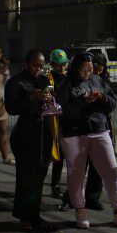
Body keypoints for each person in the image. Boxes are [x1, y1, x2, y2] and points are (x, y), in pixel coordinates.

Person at [57, 52, 117, 230]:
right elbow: (63, 113)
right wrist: (83, 101)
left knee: (112, 170)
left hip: (99, 130)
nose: (87, 73)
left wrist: (101, 97)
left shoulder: (98, 81)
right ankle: (80, 210)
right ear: (74, 68)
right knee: (76, 174)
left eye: (90, 69)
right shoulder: (66, 84)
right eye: (83, 69)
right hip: (74, 134)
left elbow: (112, 104)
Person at [5, 50, 55, 231]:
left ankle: (34, 215)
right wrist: (31, 98)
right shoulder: (15, 82)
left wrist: (49, 99)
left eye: (41, 66)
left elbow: (49, 107)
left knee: (39, 179)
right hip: (25, 135)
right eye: (35, 65)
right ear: (27, 63)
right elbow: (11, 108)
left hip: (43, 134)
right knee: (26, 178)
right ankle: (24, 217)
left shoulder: (43, 81)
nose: (38, 69)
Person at [47, 49, 69, 199]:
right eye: (59, 65)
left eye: (64, 64)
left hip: (67, 121)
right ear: (52, 65)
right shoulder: (48, 79)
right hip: (53, 122)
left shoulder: (69, 78)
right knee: (57, 157)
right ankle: (54, 186)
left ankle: (64, 186)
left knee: (68, 156)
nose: (62, 67)